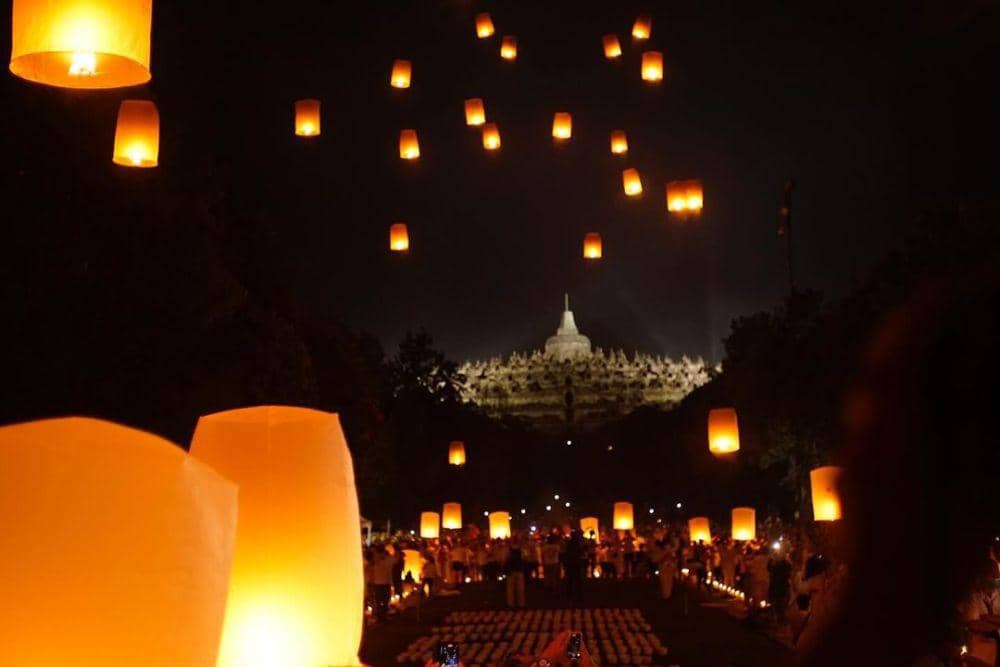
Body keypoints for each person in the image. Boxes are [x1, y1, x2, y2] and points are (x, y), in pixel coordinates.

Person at [370, 545, 395, 620]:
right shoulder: (387, 559)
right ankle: (382, 615)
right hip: (384, 583)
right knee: (384, 600)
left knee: (380, 600)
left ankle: (380, 615)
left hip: (379, 583)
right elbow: (395, 560)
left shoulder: (376, 560)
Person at [504, 541, 527, 607]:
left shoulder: (509, 553)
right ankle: (521, 603)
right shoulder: (521, 552)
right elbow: (525, 557)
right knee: (520, 589)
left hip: (511, 572)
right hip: (519, 571)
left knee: (510, 590)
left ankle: (511, 603)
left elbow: (506, 561)